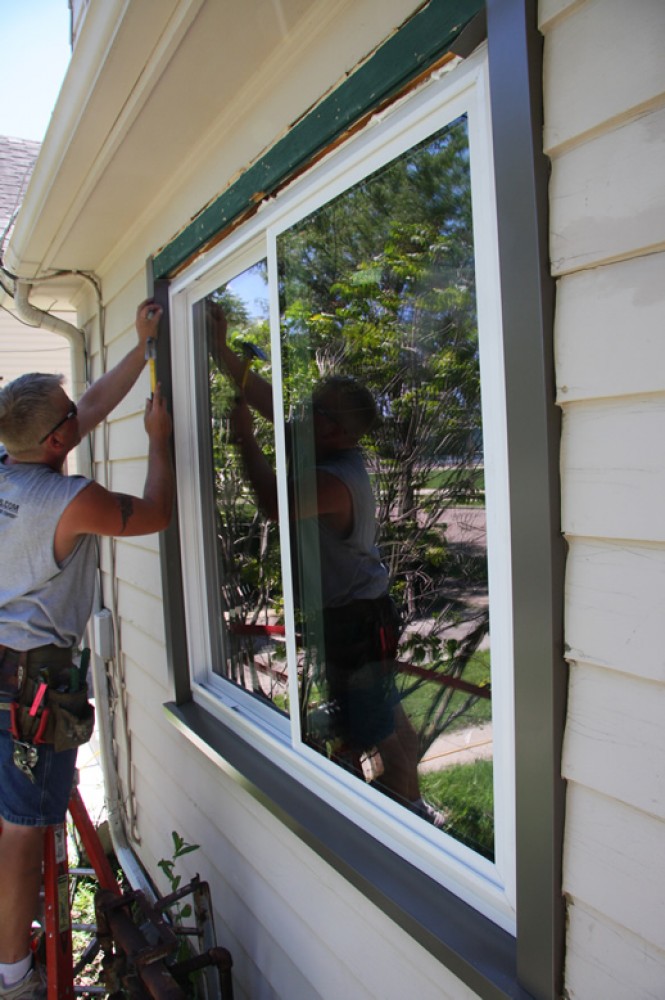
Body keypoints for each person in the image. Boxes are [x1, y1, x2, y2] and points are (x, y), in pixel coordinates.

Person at [207, 302, 446, 828]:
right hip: (363, 615)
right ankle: (418, 814)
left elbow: (274, 504)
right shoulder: (323, 440)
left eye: (318, 409)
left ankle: (402, 832)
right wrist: (222, 348)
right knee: (387, 724)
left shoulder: (335, 479)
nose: (305, 412)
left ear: (339, 432)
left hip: (354, 624)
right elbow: (265, 399)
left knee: (379, 742)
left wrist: (244, 439)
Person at [0, 299, 173, 999]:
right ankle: (13, 978)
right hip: (33, 691)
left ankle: (17, 945)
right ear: (55, 441)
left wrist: (142, 348)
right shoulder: (72, 500)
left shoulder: (12, 466)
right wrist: (159, 439)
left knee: (7, 819)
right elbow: (156, 512)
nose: (80, 416)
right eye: (69, 417)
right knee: (19, 831)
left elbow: (85, 410)